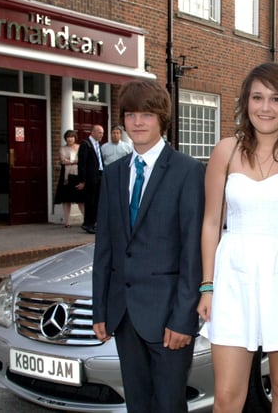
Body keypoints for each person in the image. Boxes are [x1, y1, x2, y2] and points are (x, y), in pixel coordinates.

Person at [197, 62, 278, 412]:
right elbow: (211, 223)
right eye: (257, 98)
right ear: (245, 102)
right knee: (226, 396)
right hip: (235, 275)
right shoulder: (225, 151)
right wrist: (207, 285)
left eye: (275, 99)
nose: (265, 108)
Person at [92, 79, 205, 412]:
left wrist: (184, 318)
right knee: (137, 405)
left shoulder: (188, 171)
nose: (137, 122)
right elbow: (106, 248)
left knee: (168, 405)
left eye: (146, 114)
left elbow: (192, 251)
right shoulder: (113, 174)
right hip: (125, 316)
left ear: (162, 120)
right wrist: (101, 309)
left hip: (169, 317)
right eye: (129, 115)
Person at [53, 129, 84, 227]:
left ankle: (86, 220)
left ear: (75, 138)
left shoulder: (80, 147)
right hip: (66, 176)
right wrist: (75, 161)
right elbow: (63, 161)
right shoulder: (62, 149)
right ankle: (67, 222)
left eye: (71, 137)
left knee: (81, 199)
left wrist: (71, 161)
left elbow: (82, 160)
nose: (70, 139)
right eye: (68, 137)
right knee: (66, 199)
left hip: (78, 175)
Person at [76, 124, 104, 234]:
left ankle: (94, 223)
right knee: (90, 201)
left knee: (97, 201)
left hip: (99, 175)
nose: (101, 135)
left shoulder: (98, 144)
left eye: (102, 133)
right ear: (92, 132)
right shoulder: (86, 144)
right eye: (99, 132)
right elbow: (82, 164)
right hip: (90, 178)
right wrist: (82, 180)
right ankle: (88, 224)